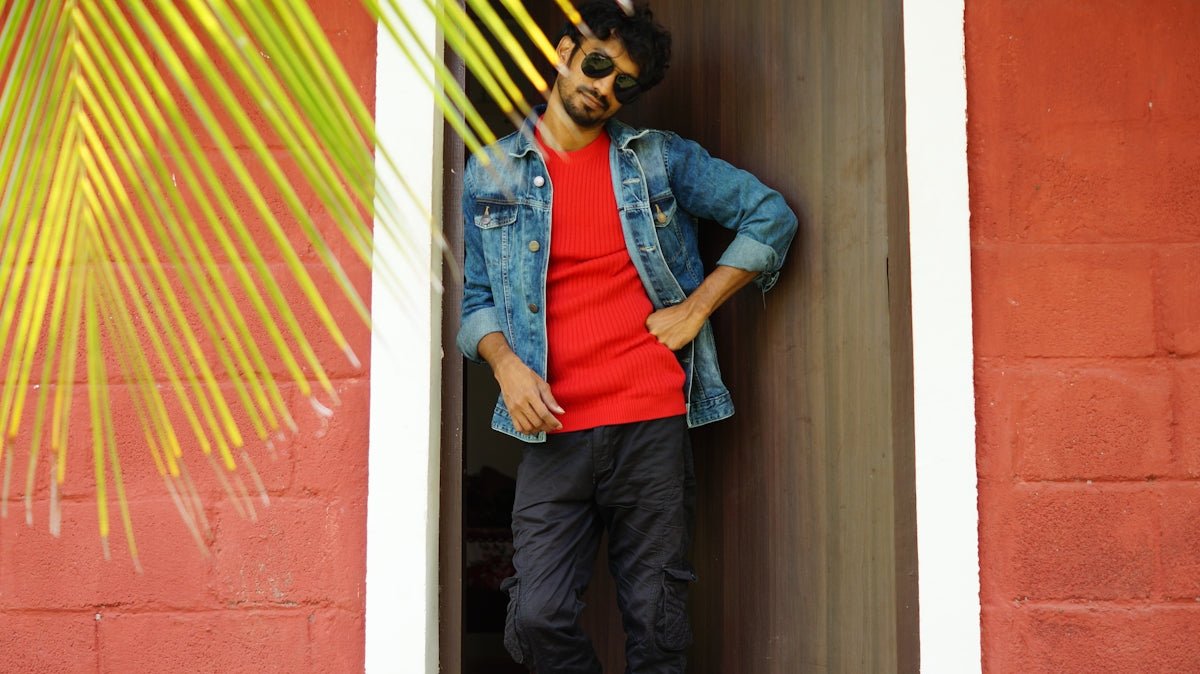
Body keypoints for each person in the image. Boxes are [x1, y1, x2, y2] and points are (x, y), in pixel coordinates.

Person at [456, 2, 797, 671]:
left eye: (624, 83)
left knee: (657, 625)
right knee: (536, 617)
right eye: (598, 65)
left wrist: (699, 307)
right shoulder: (490, 173)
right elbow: (476, 303)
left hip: (651, 425)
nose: (605, 87)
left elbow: (770, 216)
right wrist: (506, 367)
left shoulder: (657, 161)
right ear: (563, 54)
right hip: (553, 427)